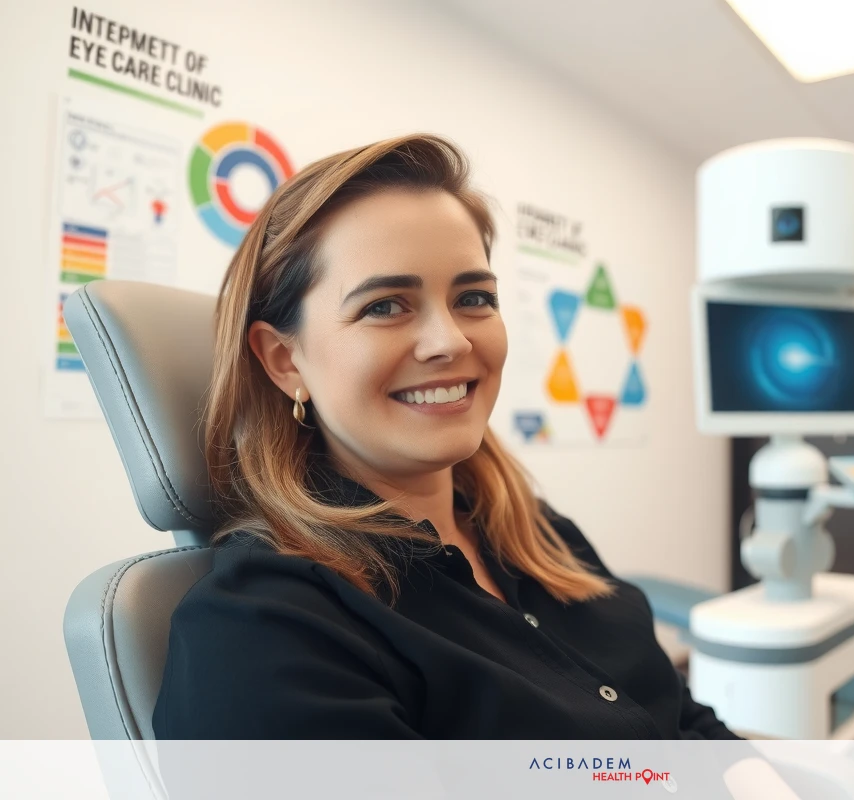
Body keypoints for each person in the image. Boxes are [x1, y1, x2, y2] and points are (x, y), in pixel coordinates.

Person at [152, 134, 742, 740]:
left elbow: (677, 715)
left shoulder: (535, 532)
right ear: (284, 360)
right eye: (385, 306)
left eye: (474, 298)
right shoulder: (264, 629)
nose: (453, 341)